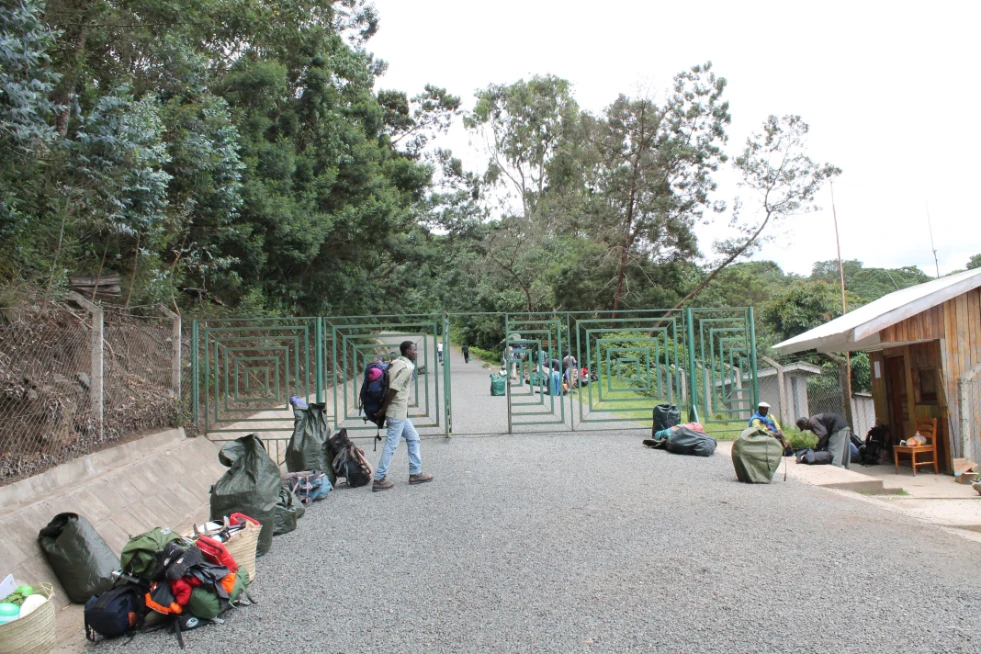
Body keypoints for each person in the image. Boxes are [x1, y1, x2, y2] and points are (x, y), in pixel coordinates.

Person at [372, 341, 434, 491]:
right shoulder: (408, 367)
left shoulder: (396, 362)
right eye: (414, 350)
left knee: (413, 437)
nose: (416, 352)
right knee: (391, 445)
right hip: (396, 411)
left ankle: (415, 473)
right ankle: (379, 478)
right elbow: (393, 389)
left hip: (399, 412)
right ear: (407, 351)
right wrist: (382, 410)